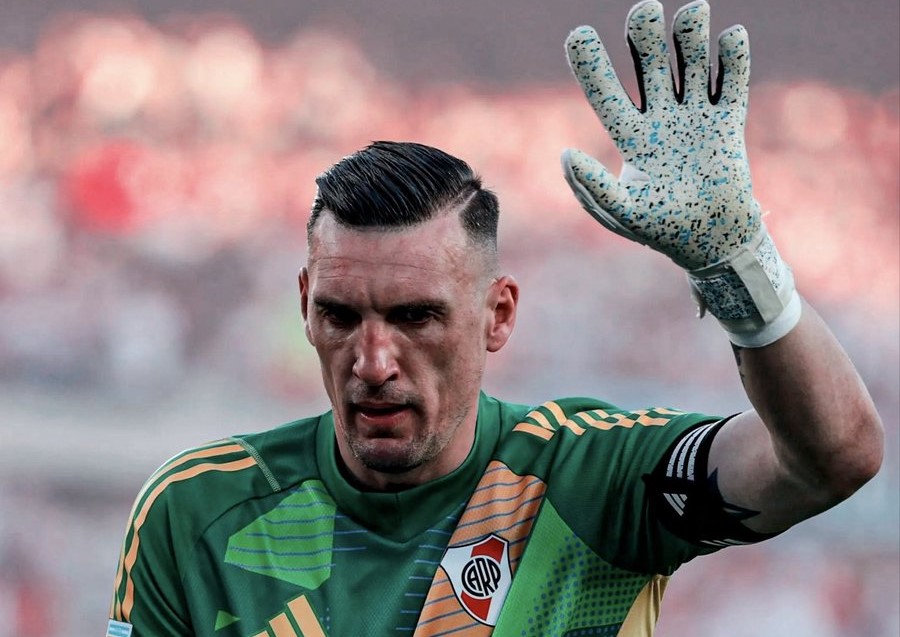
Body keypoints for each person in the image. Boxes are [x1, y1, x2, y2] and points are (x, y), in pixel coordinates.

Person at [107, 1, 883, 635]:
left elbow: (834, 457)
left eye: (416, 317)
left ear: (498, 314)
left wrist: (738, 265)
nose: (373, 360)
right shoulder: (193, 515)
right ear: (306, 306)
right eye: (341, 315)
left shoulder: (594, 480)